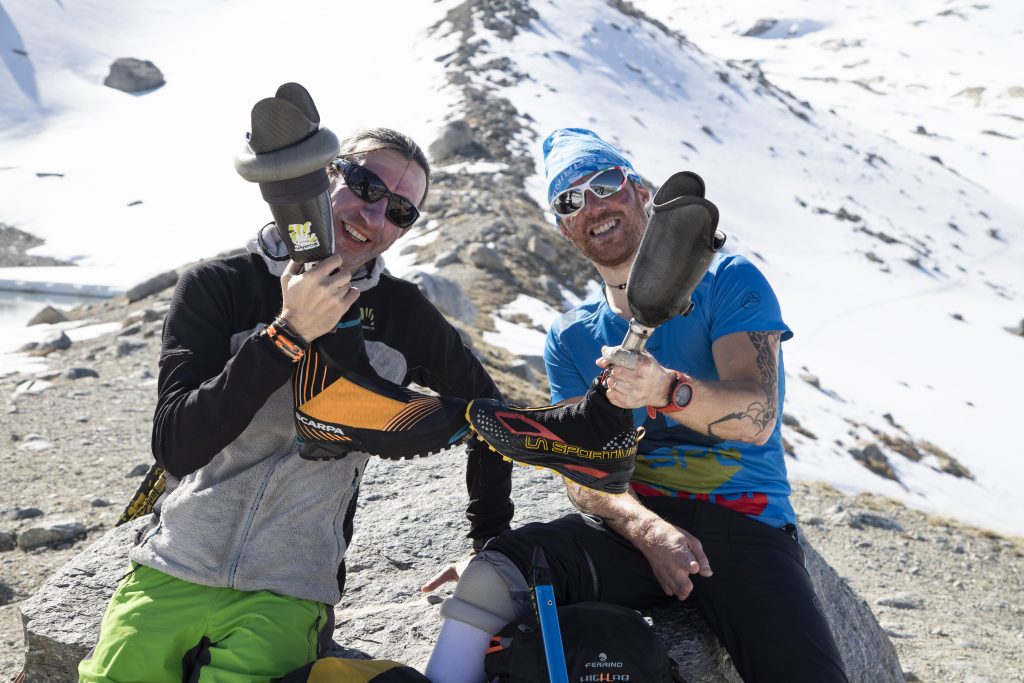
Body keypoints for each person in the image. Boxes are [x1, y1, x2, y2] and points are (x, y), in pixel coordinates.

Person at [78, 128, 513, 682]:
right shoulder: (220, 285)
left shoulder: (402, 314)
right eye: (364, 184)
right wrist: (287, 335)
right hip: (172, 568)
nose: (376, 215)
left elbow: (491, 415)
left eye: (402, 211)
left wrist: (489, 545)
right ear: (323, 174)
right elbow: (176, 444)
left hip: (290, 591)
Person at [422, 128, 849, 683]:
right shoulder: (571, 335)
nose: (593, 204)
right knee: (489, 576)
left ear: (642, 191)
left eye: (606, 183)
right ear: (564, 227)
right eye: (570, 200)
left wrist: (665, 391)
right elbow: (582, 472)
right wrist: (649, 531)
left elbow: (758, 417)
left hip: (745, 527)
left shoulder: (726, 280)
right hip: (631, 528)